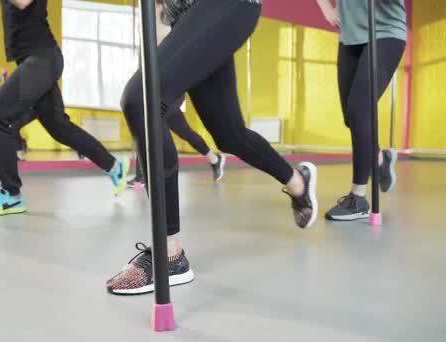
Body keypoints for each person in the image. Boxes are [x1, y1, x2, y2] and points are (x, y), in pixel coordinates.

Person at [107, 0, 319, 295]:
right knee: (228, 134)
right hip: (189, 20)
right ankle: (297, 181)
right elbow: (158, 10)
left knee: (140, 99)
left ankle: (170, 254)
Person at [0, 0, 130, 216]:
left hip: (41, 59)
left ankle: (11, 195)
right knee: (58, 126)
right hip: (36, 60)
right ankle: (115, 166)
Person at [316, 0, 406, 221]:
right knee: (352, 117)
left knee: (359, 109)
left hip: (386, 31)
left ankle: (358, 198)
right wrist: (326, 7)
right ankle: (379, 160)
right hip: (350, 35)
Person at [128, 14, 225, 188]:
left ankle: (142, 176)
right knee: (183, 131)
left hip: (172, 87)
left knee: (148, 123)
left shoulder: (168, 26)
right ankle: (214, 158)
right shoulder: (147, 26)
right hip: (156, 90)